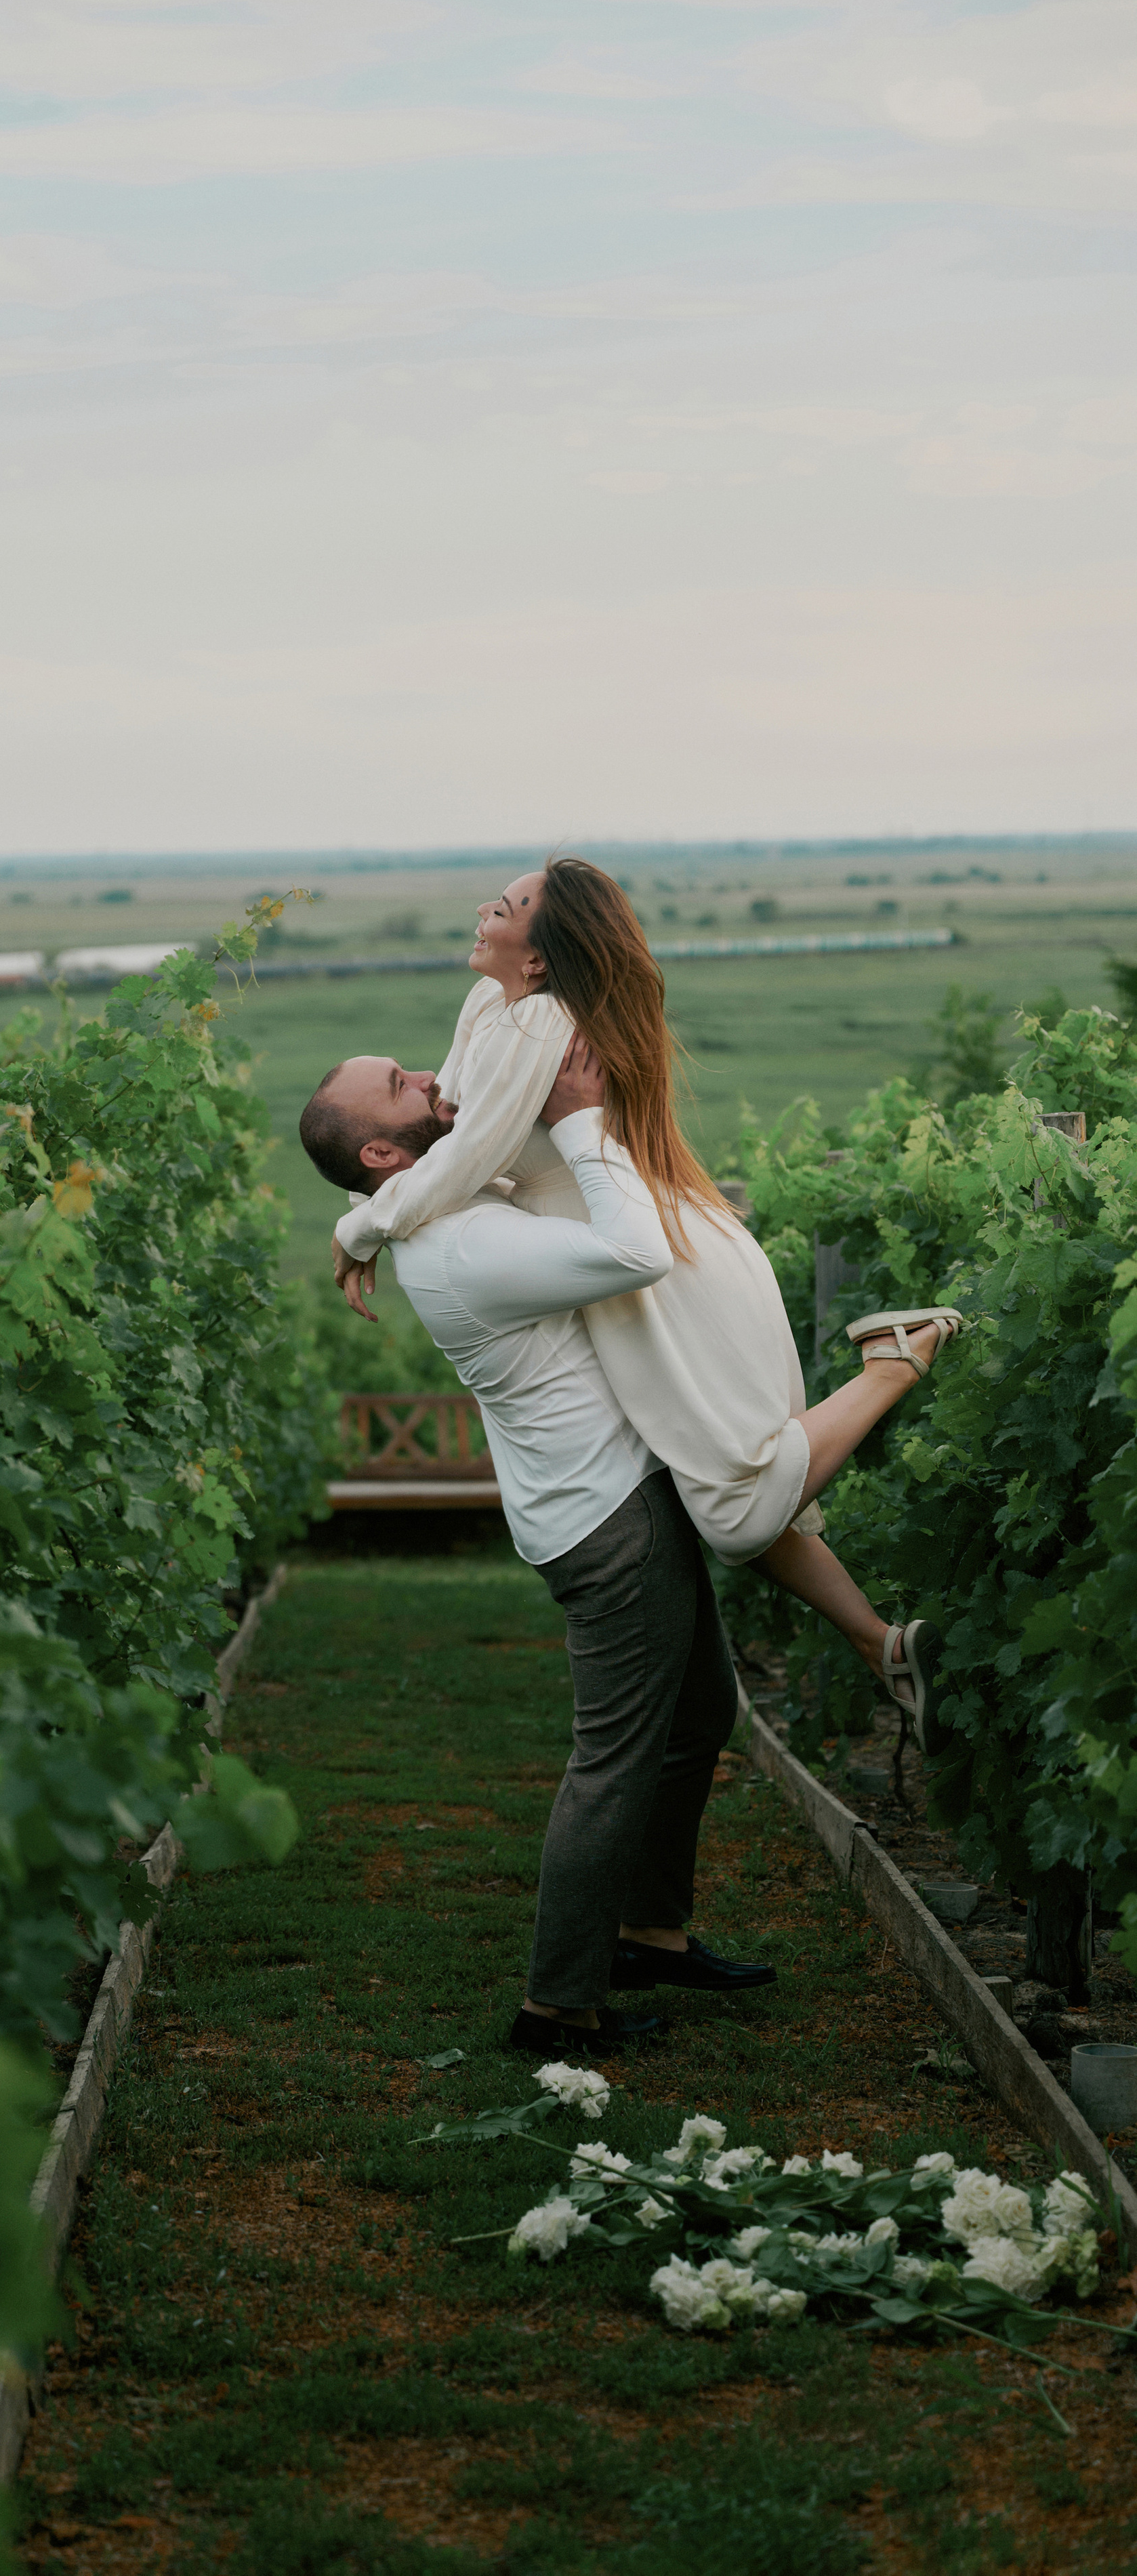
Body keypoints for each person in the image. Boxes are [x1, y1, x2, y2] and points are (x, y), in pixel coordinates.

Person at [321, 860, 959, 1733]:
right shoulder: (489, 1010)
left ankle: (895, 1361)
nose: (482, 909)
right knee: (718, 1480)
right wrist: (373, 1201)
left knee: (734, 1505)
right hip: (611, 1256)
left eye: (503, 908)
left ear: (539, 959)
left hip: (650, 1264)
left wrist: (361, 1227)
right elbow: (441, 1127)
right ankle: (880, 1645)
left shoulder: (538, 1028)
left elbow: (464, 1160)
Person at [299, 1033, 798, 2058]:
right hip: (606, 1519)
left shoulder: (430, 1206)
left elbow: (456, 1131)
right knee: (614, 1759)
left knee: (702, 1708)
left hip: (610, 1497)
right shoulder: (464, 1243)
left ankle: (652, 1933)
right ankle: (557, 2004)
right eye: (400, 1085)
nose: (430, 1077)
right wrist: (577, 1122)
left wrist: (357, 1224)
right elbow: (634, 1251)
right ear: (383, 1154)